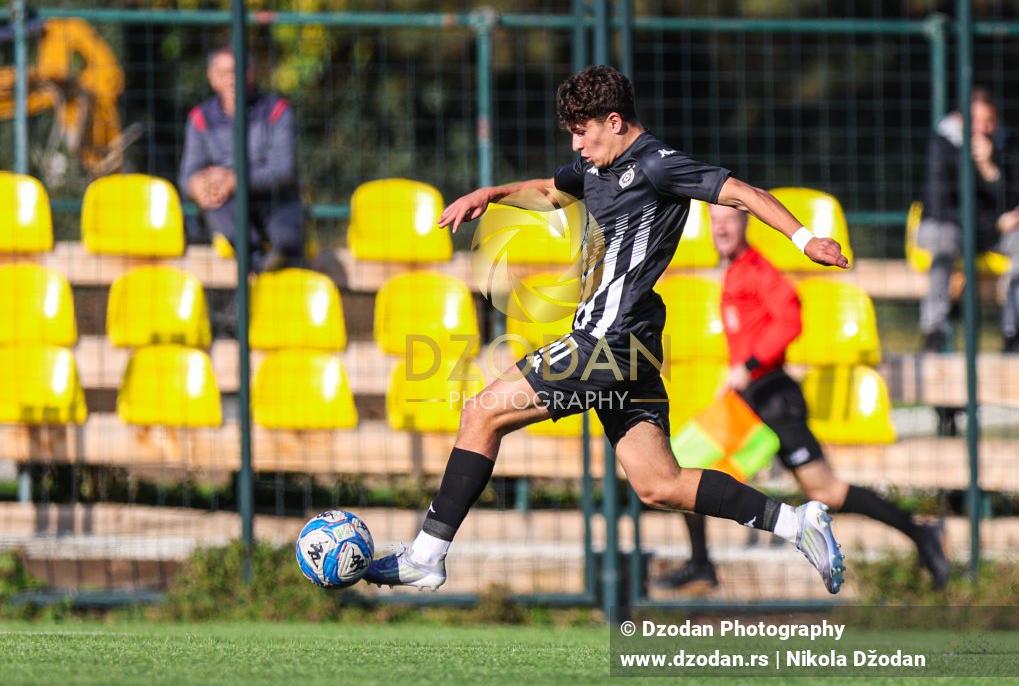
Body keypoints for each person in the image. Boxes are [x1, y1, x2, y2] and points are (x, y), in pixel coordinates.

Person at [363, 65, 851, 596]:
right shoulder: (595, 167)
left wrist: (806, 240)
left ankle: (426, 555)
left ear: (614, 121)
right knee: (659, 484)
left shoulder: (659, 166)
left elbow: (743, 193)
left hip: (608, 341)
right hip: (632, 346)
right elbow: (551, 189)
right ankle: (794, 523)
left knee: (481, 412)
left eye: (583, 132)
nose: (577, 144)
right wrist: (491, 192)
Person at [654, 205, 951, 593]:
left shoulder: (758, 270)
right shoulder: (731, 272)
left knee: (826, 492)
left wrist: (750, 365)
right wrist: (733, 378)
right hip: (746, 400)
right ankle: (701, 563)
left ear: (745, 224)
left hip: (774, 398)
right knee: (685, 469)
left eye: (729, 220)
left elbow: (790, 319)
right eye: (715, 221)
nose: (721, 228)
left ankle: (919, 533)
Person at [918, 87, 1019, 354]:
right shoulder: (942, 144)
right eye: (977, 122)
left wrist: (990, 170)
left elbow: (1018, 199)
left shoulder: (1007, 143)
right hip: (956, 229)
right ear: (961, 120)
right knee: (942, 238)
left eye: (989, 122)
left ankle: (1013, 331)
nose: (983, 129)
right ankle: (934, 330)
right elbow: (940, 208)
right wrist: (993, 223)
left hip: (993, 233)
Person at [179, 44, 305, 273]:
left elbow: (283, 170)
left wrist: (235, 179)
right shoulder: (200, 118)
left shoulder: (277, 110)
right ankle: (257, 267)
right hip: (228, 202)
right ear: (212, 78)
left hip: (274, 198)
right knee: (213, 201)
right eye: (224, 73)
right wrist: (198, 185)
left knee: (288, 241)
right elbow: (189, 174)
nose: (231, 80)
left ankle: (269, 264)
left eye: (237, 71)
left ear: (252, 73)